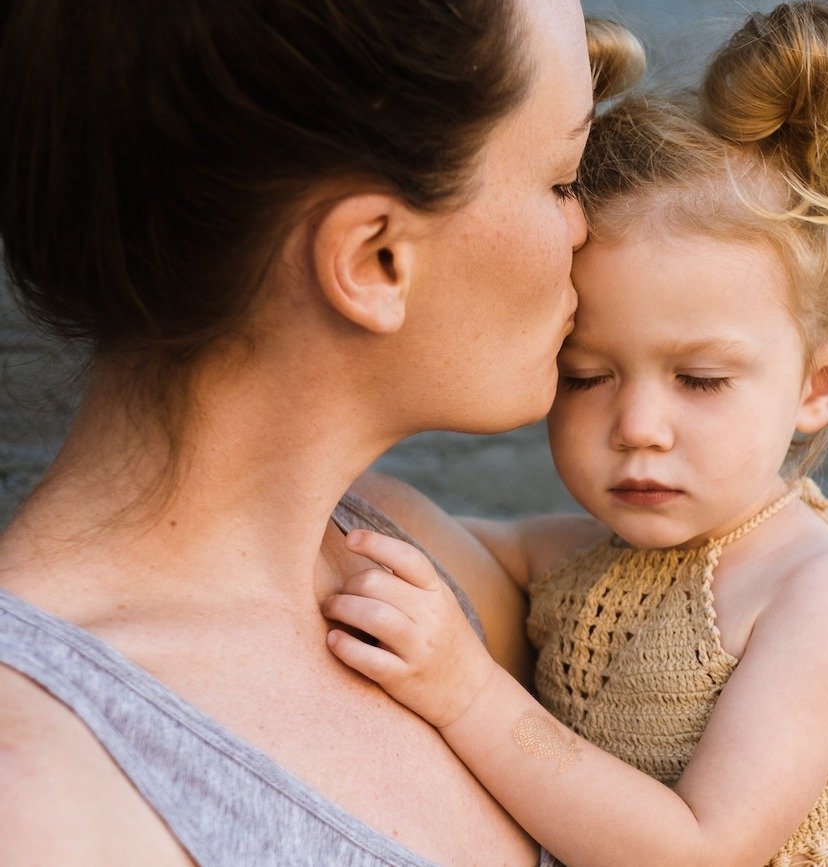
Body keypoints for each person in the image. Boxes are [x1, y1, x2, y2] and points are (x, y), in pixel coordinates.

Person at [0, 1, 640, 863]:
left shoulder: (414, 560)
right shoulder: (40, 792)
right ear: (375, 258)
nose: (584, 226)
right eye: (562, 180)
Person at [322, 3, 828, 865]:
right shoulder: (570, 560)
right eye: (587, 376)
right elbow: (399, 528)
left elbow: (700, 851)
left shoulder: (823, 594)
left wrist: (467, 694)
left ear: (818, 385)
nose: (638, 427)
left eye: (701, 380)